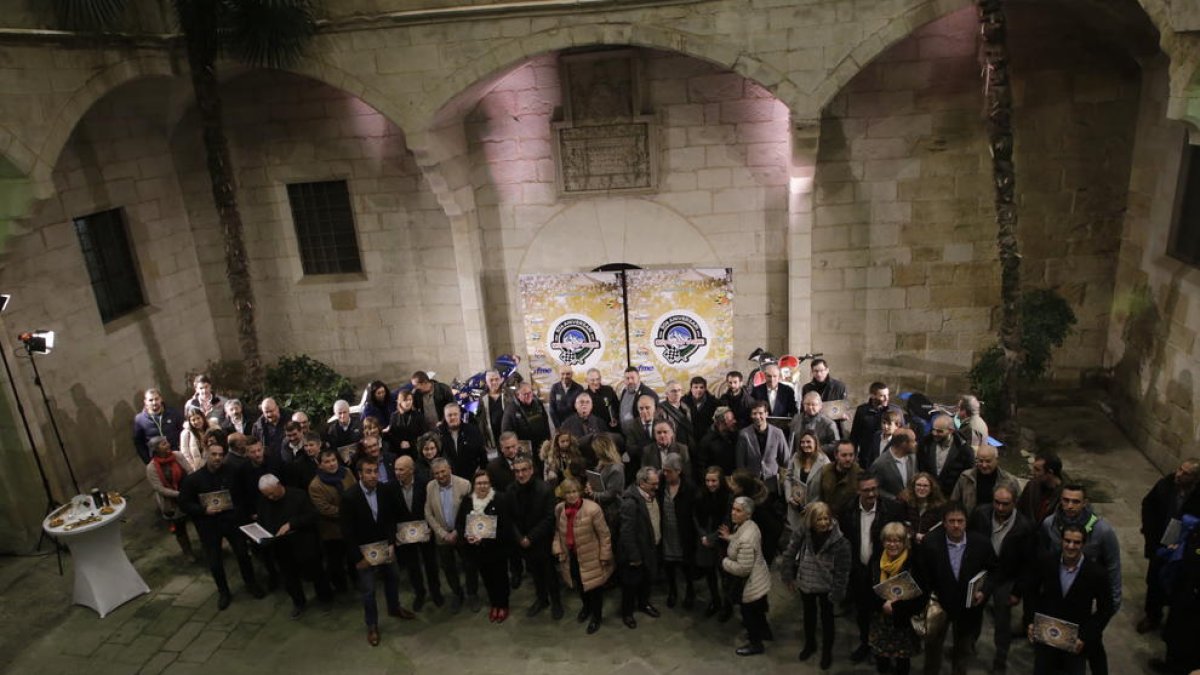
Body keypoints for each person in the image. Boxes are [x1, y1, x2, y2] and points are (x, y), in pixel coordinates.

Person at [1039, 483, 1121, 675]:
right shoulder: (1049, 524)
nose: (1069, 505)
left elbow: (1113, 568)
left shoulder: (1102, 531)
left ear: (1085, 503)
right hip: (1062, 599)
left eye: (1075, 501)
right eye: (1066, 500)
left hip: (1088, 600)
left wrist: (1109, 609)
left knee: (1092, 647)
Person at [178, 442, 265, 610]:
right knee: (215, 561)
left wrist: (242, 513)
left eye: (220, 454)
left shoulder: (232, 473)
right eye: (214, 454)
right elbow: (184, 503)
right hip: (209, 525)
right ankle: (223, 592)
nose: (217, 458)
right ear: (206, 455)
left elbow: (242, 494)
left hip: (232, 522)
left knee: (242, 554)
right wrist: (203, 510)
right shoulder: (194, 480)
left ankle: (251, 584)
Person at [1022, 524, 1115, 675]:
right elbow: (1030, 591)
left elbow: (1106, 609)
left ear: (1083, 544)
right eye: (1067, 541)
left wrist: (1086, 637)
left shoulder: (1097, 573)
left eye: (1076, 542)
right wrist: (1030, 621)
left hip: (1076, 640)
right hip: (1047, 635)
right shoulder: (1046, 562)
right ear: (1061, 541)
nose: (1071, 546)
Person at [341, 456, 414, 646]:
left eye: (375, 471)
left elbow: (390, 519)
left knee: (393, 578)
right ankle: (372, 625)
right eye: (368, 472)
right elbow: (347, 532)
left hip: (385, 547)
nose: (373, 475)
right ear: (359, 474)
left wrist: (391, 543)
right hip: (364, 553)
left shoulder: (384, 490)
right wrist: (358, 558)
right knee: (369, 591)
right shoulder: (349, 497)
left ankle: (394, 608)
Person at [919, 502, 996, 675]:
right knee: (932, 651)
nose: (956, 525)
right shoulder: (930, 543)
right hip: (938, 605)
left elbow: (994, 571)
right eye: (951, 521)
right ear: (944, 523)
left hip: (967, 608)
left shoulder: (981, 543)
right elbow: (921, 574)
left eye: (960, 521)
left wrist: (984, 592)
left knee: (962, 652)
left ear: (966, 522)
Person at [840, 471, 906, 664]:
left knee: (884, 615)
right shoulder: (848, 510)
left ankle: (883, 650)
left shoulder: (892, 509)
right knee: (862, 612)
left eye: (874, 489)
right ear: (858, 491)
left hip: (884, 572)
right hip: (858, 572)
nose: (871, 494)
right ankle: (865, 644)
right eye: (866, 490)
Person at [968, 484, 1034, 672]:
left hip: (1006, 577)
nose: (1000, 508)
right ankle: (969, 645)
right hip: (982, 572)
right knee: (973, 611)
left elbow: (1028, 563)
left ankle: (1000, 658)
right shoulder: (981, 514)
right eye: (997, 502)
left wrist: (1017, 592)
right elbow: (970, 541)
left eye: (1005, 504)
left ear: (1014, 503)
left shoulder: (1024, 526)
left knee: (1002, 620)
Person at [781, 501, 851, 669]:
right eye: (819, 519)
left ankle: (827, 651)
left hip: (827, 585)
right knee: (809, 615)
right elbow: (790, 552)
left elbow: (843, 570)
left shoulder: (841, 542)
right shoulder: (803, 532)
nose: (823, 523)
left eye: (826, 518)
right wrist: (787, 576)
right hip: (807, 581)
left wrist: (838, 592)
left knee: (828, 620)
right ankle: (810, 644)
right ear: (811, 521)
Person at [255, 473, 332, 618]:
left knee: (316, 574)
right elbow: (262, 519)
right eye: (267, 496)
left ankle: (325, 599)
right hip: (281, 547)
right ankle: (299, 603)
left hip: (304, 544)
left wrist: (291, 524)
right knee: (289, 579)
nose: (270, 498)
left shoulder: (298, 495)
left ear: (279, 485)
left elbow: (312, 516)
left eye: (272, 494)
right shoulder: (264, 501)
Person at [1138, 458, 1199, 633]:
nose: (1179, 474)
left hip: (1186, 548)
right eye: (1180, 469)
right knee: (1154, 580)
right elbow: (1148, 504)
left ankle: (1174, 624)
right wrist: (1150, 534)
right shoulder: (1166, 484)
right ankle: (1152, 616)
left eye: (1185, 473)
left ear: (1195, 479)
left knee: (1180, 586)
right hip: (1161, 541)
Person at [553, 477, 614, 633]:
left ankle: (596, 617)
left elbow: (604, 534)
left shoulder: (593, 509)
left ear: (579, 492)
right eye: (568, 493)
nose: (572, 495)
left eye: (574, 492)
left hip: (591, 556)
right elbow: (558, 532)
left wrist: (605, 555)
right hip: (572, 556)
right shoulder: (560, 509)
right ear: (563, 495)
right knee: (580, 585)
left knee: (595, 589)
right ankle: (586, 608)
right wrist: (557, 547)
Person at [507, 454, 562, 618]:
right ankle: (541, 599)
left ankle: (556, 602)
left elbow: (549, 518)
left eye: (524, 470)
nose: (521, 474)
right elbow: (509, 518)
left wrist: (530, 538)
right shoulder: (510, 490)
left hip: (542, 540)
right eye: (517, 471)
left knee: (549, 574)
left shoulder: (545, 489)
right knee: (535, 574)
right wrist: (519, 538)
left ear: (531, 470)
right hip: (522, 542)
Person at [456, 469, 511, 622]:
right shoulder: (467, 501)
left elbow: (506, 527)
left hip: (497, 550)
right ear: (474, 485)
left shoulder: (499, 499)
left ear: (490, 484)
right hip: (476, 552)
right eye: (479, 483)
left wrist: (485, 539)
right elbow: (460, 524)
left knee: (500, 578)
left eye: (485, 483)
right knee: (487, 579)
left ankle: (503, 605)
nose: (482, 486)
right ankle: (494, 604)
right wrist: (467, 537)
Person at [868, 522, 923, 675]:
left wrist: (895, 607)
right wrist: (882, 605)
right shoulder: (876, 559)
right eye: (889, 540)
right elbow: (867, 588)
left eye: (897, 540)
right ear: (883, 541)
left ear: (904, 542)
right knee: (881, 659)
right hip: (880, 619)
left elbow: (918, 594)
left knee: (902, 661)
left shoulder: (913, 562)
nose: (892, 544)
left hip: (903, 620)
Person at [720, 495, 772, 656]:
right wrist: (730, 537)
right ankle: (766, 633)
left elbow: (743, 568)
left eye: (738, 511)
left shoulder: (746, 538)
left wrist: (725, 562)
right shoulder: (749, 526)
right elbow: (739, 540)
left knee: (749, 615)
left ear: (748, 514)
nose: (733, 513)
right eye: (733, 509)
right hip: (760, 577)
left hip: (751, 584)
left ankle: (756, 644)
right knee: (759, 612)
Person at [424, 456, 473, 613]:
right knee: (448, 569)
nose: (440, 476)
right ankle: (457, 594)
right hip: (442, 537)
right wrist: (443, 534)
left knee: (469, 565)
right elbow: (428, 513)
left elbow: (469, 513)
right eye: (436, 473)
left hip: (462, 534)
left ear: (450, 469)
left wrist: (457, 532)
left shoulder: (464, 485)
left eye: (443, 472)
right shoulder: (430, 487)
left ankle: (472, 594)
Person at [308, 449, 357, 595]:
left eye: (333, 460)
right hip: (332, 530)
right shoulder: (315, 485)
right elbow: (325, 509)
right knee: (335, 562)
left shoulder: (347, 473)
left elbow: (355, 491)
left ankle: (356, 579)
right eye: (327, 462)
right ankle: (341, 587)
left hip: (351, 526)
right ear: (320, 464)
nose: (331, 464)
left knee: (353, 556)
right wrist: (348, 513)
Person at [619, 466, 662, 629]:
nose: (657, 487)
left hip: (650, 549)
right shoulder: (630, 502)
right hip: (636, 554)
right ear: (642, 483)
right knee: (630, 586)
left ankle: (644, 604)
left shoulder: (651, 495)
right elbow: (626, 533)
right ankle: (627, 613)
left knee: (646, 581)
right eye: (653, 484)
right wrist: (634, 557)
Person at [145, 435, 197, 560]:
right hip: (172, 502)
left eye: (167, 442)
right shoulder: (151, 467)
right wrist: (179, 494)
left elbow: (189, 471)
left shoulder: (177, 456)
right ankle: (188, 552)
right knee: (180, 529)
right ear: (156, 449)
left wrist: (189, 489)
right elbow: (159, 488)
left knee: (199, 521)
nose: (168, 445)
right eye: (163, 444)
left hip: (188, 495)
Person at [658, 453, 697, 609]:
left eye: (669, 471)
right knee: (669, 566)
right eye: (664, 470)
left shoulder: (689, 488)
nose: (665, 474)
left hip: (683, 534)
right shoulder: (661, 485)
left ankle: (690, 591)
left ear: (678, 470)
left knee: (687, 566)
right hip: (667, 533)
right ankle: (673, 591)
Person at [695, 466, 732, 619]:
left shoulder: (728, 497)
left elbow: (727, 521)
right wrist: (703, 536)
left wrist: (712, 538)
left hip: (722, 542)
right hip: (705, 540)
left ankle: (727, 606)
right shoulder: (700, 495)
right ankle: (715, 601)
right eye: (707, 481)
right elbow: (695, 517)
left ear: (720, 481)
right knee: (709, 573)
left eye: (714, 481)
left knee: (724, 576)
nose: (710, 484)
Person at [727, 468, 784, 563]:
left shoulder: (759, 509)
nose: (730, 485)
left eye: (733, 484)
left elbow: (773, 531)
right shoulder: (742, 497)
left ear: (741, 488)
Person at [950, 444, 1019, 515]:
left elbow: (1017, 506)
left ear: (996, 460)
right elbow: (954, 503)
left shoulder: (1009, 480)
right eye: (980, 461)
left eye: (988, 461)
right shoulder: (965, 477)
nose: (984, 465)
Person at [735, 400, 788, 493]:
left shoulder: (778, 433)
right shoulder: (744, 434)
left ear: (766, 414)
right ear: (751, 415)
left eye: (761, 413)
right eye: (754, 413)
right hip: (752, 482)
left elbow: (785, 459)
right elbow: (740, 462)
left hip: (772, 483)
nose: (757, 417)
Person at [916, 414, 975, 497]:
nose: (935, 433)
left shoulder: (964, 450)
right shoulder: (925, 445)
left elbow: (968, 475)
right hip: (929, 496)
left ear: (951, 431)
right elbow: (920, 468)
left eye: (940, 431)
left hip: (952, 496)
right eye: (933, 430)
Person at [785, 430, 829, 532]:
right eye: (802, 442)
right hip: (795, 509)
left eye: (808, 442)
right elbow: (788, 477)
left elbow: (826, 488)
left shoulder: (824, 461)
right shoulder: (796, 457)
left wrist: (814, 505)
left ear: (815, 442)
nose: (805, 445)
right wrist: (789, 497)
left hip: (814, 510)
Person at [849, 382, 904, 457]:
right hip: (866, 456)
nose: (886, 398)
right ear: (872, 396)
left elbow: (903, 434)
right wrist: (852, 455)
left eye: (887, 395)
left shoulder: (895, 410)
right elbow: (855, 435)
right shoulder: (862, 411)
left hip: (889, 456)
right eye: (882, 396)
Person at [809, 440, 862, 515]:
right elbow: (817, 495)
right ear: (836, 455)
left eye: (851, 455)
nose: (848, 459)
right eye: (844, 455)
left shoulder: (859, 474)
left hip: (849, 520)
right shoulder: (825, 471)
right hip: (826, 518)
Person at [133, 387, 184, 464]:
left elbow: (183, 432)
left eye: (156, 399)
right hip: (158, 462)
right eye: (150, 400)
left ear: (161, 399)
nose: (154, 402)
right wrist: (149, 461)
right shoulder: (139, 420)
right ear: (145, 402)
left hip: (178, 456)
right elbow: (139, 444)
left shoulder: (173, 413)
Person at [587, 434, 625, 536]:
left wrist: (593, 493)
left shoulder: (616, 469)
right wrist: (590, 484)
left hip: (613, 511)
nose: (595, 453)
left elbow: (610, 494)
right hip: (602, 508)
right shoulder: (602, 463)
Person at [439, 402, 487, 480]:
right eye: (449, 415)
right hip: (449, 478)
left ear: (460, 414)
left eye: (455, 414)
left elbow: (482, 452)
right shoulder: (439, 433)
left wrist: (483, 470)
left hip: (471, 476)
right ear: (445, 416)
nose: (453, 417)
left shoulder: (472, 430)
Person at [501, 382, 552, 455]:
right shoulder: (511, 410)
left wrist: (548, 439)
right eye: (525, 394)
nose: (529, 396)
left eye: (530, 392)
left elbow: (545, 422)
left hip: (541, 445)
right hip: (524, 448)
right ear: (518, 395)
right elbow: (506, 432)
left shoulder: (538, 404)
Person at [559, 392, 609, 462]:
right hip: (576, 460)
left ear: (591, 406)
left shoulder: (600, 423)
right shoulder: (567, 424)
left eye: (587, 402)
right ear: (575, 405)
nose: (584, 404)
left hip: (597, 460)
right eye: (581, 402)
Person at [1017, 451, 1066, 525]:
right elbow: (1019, 510)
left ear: (1050, 472)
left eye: (1037, 470)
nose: (1032, 472)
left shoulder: (1065, 496)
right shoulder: (1031, 487)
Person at [871, 427, 918, 500]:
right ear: (903, 444)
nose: (916, 444)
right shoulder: (880, 464)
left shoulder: (913, 458)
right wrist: (895, 498)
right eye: (913, 441)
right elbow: (874, 488)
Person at [900, 472, 946, 544]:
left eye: (925, 486)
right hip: (908, 542)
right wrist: (915, 535)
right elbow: (902, 523)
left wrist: (926, 536)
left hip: (930, 542)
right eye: (918, 485)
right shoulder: (905, 503)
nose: (921, 488)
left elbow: (939, 527)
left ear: (931, 488)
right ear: (913, 487)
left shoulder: (939, 506)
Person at [792, 391, 840, 457]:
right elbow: (791, 440)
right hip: (798, 458)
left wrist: (816, 449)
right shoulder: (796, 419)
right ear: (803, 405)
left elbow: (836, 445)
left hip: (820, 459)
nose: (810, 407)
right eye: (807, 404)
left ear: (820, 406)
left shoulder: (829, 423)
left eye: (813, 404)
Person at [476, 369, 512, 452]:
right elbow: (480, 420)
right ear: (486, 382)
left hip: (509, 434)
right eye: (491, 380)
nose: (494, 382)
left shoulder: (509, 394)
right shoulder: (482, 398)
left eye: (496, 379)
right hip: (493, 437)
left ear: (500, 380)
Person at [385, 389, 426, 458]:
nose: (408, 402)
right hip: (399, 451)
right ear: (400, 402)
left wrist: (411, 443)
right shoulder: (394, 416)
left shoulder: (418, 415)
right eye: (405, 400)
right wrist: (400, 443)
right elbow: (392, 434)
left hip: (415, 451)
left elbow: (423, 434)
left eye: (410, 400)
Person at [698, 406, 738, 476]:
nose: (735, 421)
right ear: (721, 422)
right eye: (731, 420)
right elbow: (702, 467)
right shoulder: (707, 441)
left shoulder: (734, 436)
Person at [659, 380, 697, 452]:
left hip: (688, 447)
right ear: (667, 393)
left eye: (679, 390)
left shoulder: (686, 408)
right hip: (672, 448)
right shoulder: (661, 410)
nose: (677, 393)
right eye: (673, 391)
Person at [618, 366, 658, 432]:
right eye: (627, 378)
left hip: (639, 435)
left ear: (639, 378)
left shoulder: (648, 393)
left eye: (632, 378)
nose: (630, 381)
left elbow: (654, 417)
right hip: (624, 433)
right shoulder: (624, 391)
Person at [252, 398, 290, 466]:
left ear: (277, 408)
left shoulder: (290, 420)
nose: (269, 414)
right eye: (266, 412)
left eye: (271, 411)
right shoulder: (257, 426)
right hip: (268, 464)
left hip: (288, 462)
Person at [584, 368, 622, 433]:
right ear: (587, 380)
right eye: (592, 380)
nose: (595, 382)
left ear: (600, 378)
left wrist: (616, 419)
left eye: (597, 379)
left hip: (611, 429)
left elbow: (617, 407)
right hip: (594, 431)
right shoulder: (584, 395)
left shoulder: (608, 390)